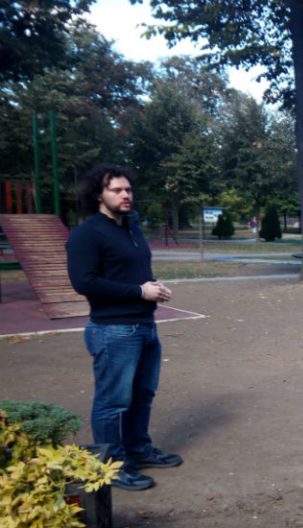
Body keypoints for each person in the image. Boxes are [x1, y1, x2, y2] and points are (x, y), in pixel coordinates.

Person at [66, 164, 182, 491]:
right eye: (116, 190)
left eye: (128, 189)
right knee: (112, 401)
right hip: (113, 330)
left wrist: (154, 287)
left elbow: (131, 272)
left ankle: (138, 450)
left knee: (142, 395)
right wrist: (137, 292)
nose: (125, 195)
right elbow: (83, 282)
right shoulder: (87, 233)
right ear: (98, 195)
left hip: (144, 325)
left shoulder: (131, 228)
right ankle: (112, 466)